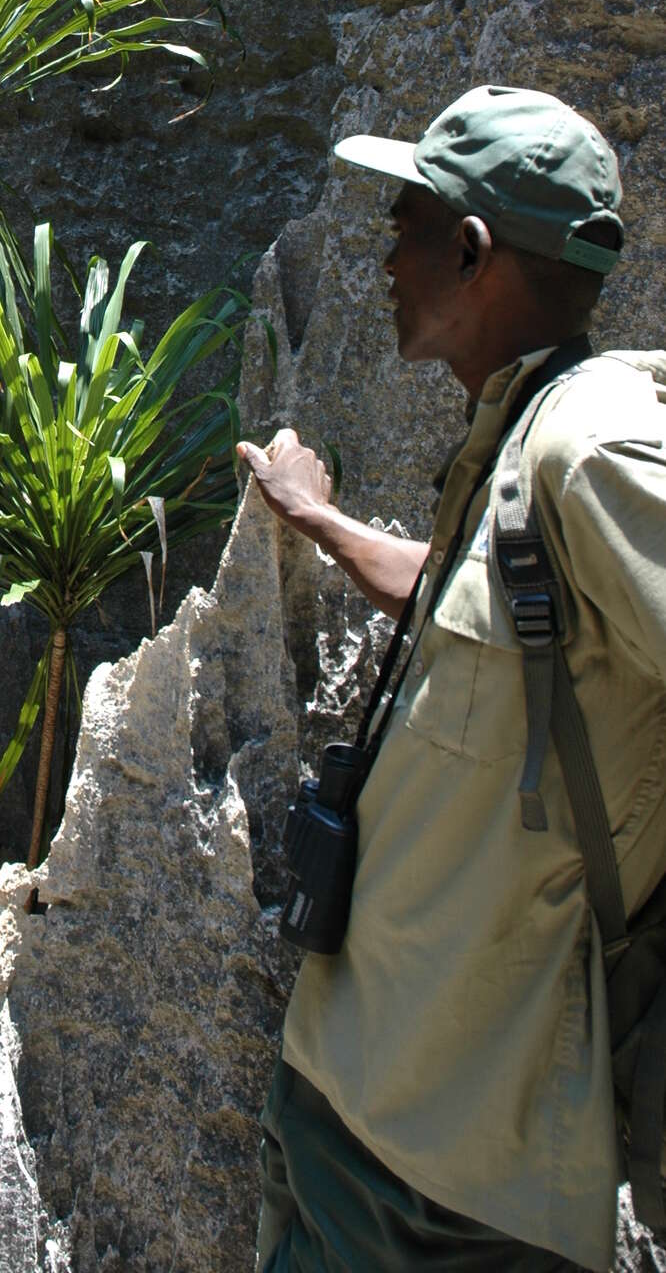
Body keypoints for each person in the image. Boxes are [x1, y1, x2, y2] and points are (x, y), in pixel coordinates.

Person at [239, 84, 666, 1272]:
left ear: (472, 250)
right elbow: (472, 603)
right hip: (358, 1099)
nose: (383, 255)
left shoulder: (594, 442)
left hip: (449, 1175)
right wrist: (318, 519)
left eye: (405, 222)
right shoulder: (522, 438)